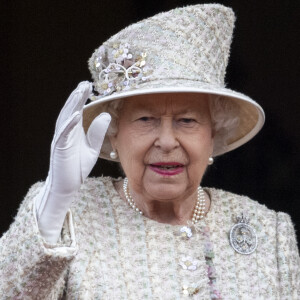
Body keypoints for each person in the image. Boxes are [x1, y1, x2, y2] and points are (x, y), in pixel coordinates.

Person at [0, 3, 299, 299]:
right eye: (146, 119)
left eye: (187, 120)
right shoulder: (64, 213)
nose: (167, 141)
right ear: (113, 133)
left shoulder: (270, 233)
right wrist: (54, 204)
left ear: (213, 135)